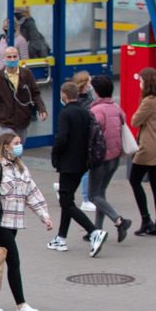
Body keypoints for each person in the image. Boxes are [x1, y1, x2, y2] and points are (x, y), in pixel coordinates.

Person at [0, 132, 52, 311]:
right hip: (0, 224)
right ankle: (21, 306)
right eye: (16, 143)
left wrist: (44, 216)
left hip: (13, 223)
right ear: (6, 147)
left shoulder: (21, 168)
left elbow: (32, 193)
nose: (20, 146)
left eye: (20, 142)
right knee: (14, 261)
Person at [49, 81, 107, 257]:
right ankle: (61, 238)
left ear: (64, 95)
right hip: (82, 163)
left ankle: (94, 232)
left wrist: (55, 155)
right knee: (68, 200)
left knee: (66, 202)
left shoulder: (65, 113)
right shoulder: (85, 112)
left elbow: (62, 139)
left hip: (68, 164)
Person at [88, 75, 132, 241]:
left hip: (101, 158)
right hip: (115, 157)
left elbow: (91, 133)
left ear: (97, 91)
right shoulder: (116, 107)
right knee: (101, 193)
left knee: (93, 195)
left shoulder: (97, 110)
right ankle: (97, 229)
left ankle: (119, 221)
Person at [129, 67, 156, 235]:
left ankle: (146, 220)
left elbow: (135, 121)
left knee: (134, 180)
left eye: (141, 81)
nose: (139, 83)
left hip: (148, 148)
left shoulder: (149, 101)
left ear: (147, 83)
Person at [0, 46, 47, 142]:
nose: (12, 59)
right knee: (10, 145)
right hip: (6, 120)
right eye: (9, 57)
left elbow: (35, 93)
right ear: (4, 58)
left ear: (18, 57)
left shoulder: (27, 74)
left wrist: (41, 109)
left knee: (19, 148)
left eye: (15, 56)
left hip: (23, 119)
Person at [72, 71, 97, 212]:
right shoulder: (78, 101)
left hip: (85, 136)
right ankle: (86, 199)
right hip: (82, 137)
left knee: (80, 169)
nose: (91, 84)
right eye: (89, 82)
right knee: (86, 169)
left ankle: (62, 187)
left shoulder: (89, 95)